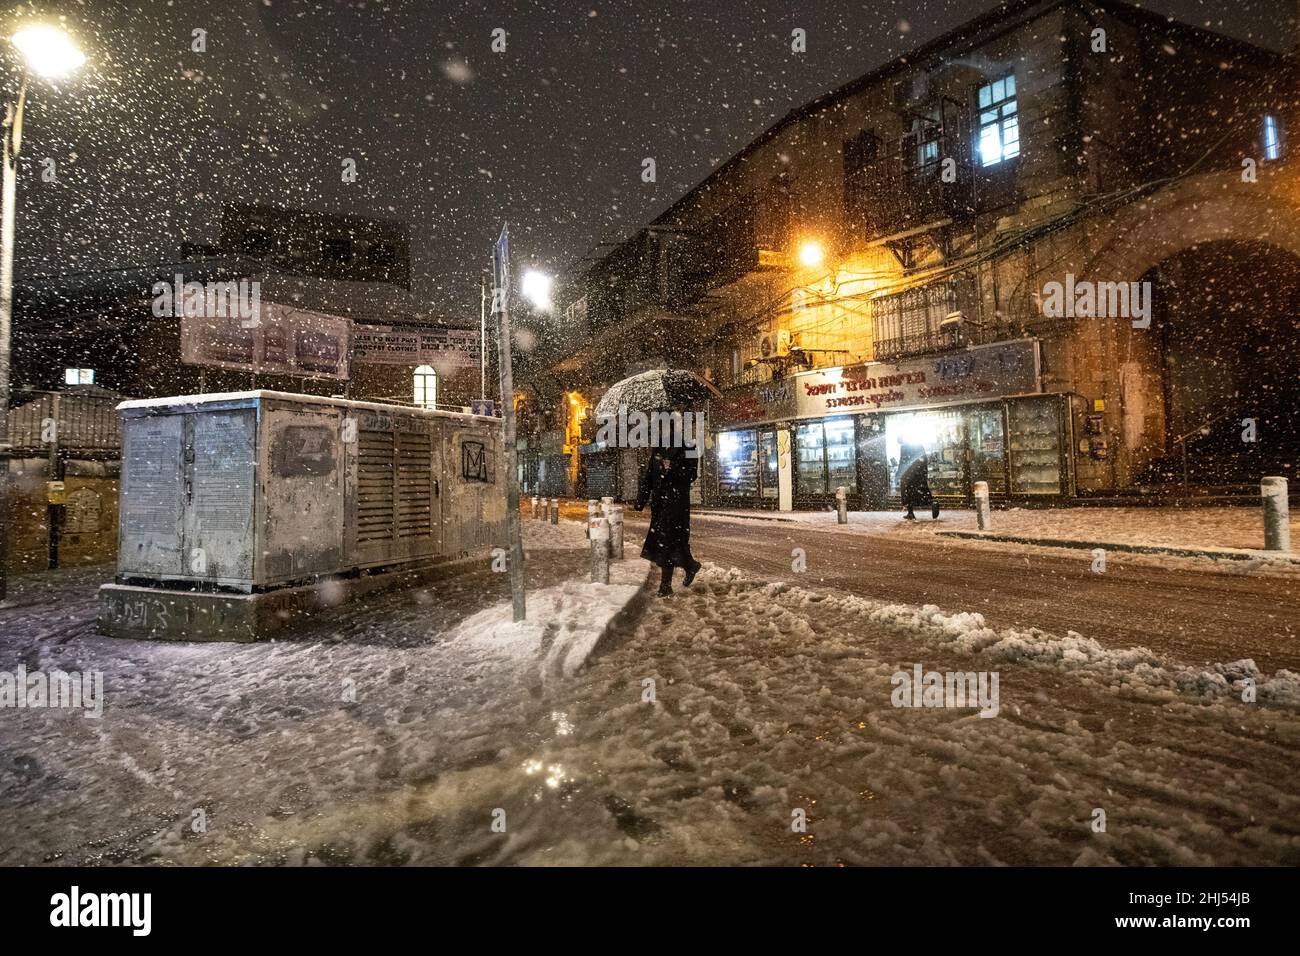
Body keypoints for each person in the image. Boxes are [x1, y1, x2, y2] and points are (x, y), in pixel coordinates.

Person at [635, 441, 702, 597]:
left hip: (677, 506)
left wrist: (672, 469)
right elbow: (649, 476)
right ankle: (690, 565)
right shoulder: (658, 448)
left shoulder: (690, 446)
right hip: (659, 505)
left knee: (667, 544)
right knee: (669, 544)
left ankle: (665, 586)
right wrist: (641, 499)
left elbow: (692, 474)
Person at [897, 441, 939, 520]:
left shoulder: (905, 447)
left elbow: (902, 461)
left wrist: (899, 472)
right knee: (921, 491)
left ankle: (911, 512)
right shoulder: (917, 445)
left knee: (908, 492)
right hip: (918, 473)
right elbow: (924, 459)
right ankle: (932, 503)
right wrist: (923, 473)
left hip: (910, 474)